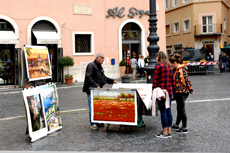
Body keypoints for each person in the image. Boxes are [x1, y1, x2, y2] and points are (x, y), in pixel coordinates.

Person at [83, 53, 118, 130]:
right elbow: (88, 77)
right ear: (97, 58)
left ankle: (97, 121)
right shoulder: (91, 65)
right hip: (91, 90)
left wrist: (112, 81)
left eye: (103, 58)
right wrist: (96, 85)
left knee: (98, 107)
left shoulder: (99, 66)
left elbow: (104, 78)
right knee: (92, 107)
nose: (103, 59)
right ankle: (93, 123)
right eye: (102, 58)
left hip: (97, 90)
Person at [153, 51, 176, 138]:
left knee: (163, 111)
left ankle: (164, 132)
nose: (156, 58)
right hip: (169, 91)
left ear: (159, 57)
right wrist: (172, 90)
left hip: (161, 92)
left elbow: (155, 80)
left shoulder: (158, 65)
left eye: (156, 56)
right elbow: (173, 80)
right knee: (168, 110)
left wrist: (153, 90)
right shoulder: (169, 65)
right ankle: (169, 131)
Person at [169, 53, 194, 134]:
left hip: (181, 92)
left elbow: (185, 81)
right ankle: (177, 124)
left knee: (181, 110)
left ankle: (184, 127)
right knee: (179, 109)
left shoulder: (180, 70)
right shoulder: (178, 69)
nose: (171, 66)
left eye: (172, 64)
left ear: (175, 63)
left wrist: (190, 89)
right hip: (179, 92)